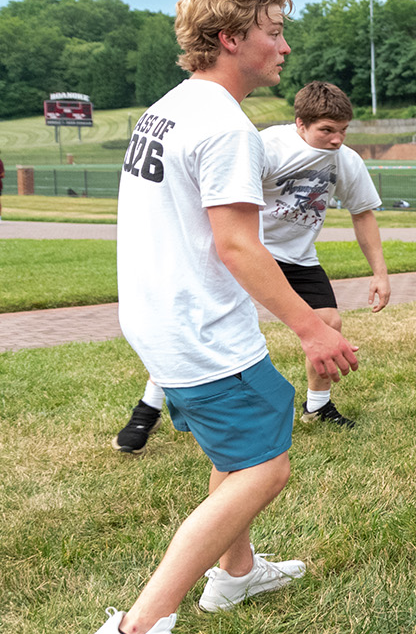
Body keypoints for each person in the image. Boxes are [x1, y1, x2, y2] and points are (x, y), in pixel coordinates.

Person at [77, 0, 359, 634]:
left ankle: (236, 574)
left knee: (239, 453)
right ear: (232, 38)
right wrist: (311, 329)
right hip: (196, 326)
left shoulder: (170, 107)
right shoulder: (228, 127)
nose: (285, 47)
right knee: (265, 470)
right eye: (273, 32)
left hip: (162, 315)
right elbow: (239, 246)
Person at [112, 81, 389, 450]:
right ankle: (148, 407)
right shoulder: (265, 146)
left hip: (298, 258)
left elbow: (363, 213)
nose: (337, 139)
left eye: (343, 131)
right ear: (300, 124)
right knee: (194, 329)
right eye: (327, 130)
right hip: (250, 250)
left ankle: (317, 406)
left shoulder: (345, 160)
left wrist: (380, 273)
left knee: (329, 323)